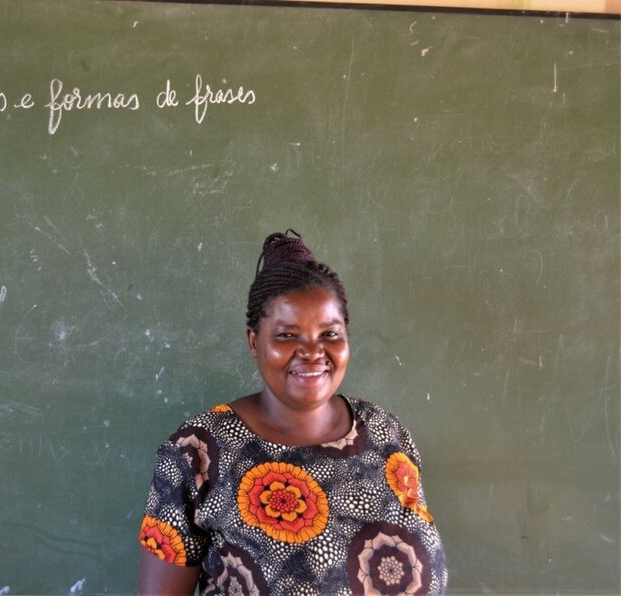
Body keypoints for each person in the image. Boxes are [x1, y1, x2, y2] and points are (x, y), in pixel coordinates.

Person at [137, 230, 447, 595]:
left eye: (329, 334)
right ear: (255, 342)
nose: (313, 352)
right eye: (287, 336)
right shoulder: (197, 451)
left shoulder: (386, 432)